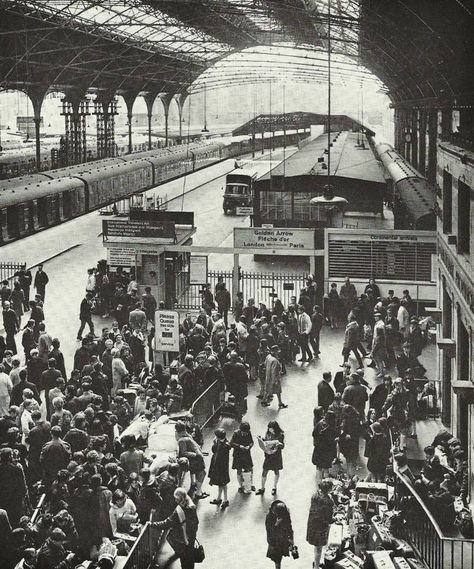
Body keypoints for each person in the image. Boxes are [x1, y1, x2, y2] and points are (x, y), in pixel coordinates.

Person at [152, 488, 199, 569]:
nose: (175, 500)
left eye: (176, 498)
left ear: (181, 497)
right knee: (190, 561)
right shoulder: (192, 507)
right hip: (191, 538)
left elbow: (166, 524)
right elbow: (196, 522)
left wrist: (152, 524)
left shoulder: (178, 512)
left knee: (184, 561)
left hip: (182, 541)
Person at [306, 479, 334, 569]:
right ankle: (316, 567)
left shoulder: (315, 495)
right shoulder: (328, 502)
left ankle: (316, 562)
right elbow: (329, 518)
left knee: (316, 546)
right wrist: (335, 519)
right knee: (319, 548)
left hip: (312, 524)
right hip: (320, 527)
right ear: (329, 489)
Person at [256, 421, 285, 496]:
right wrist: (261, 439)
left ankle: (274, 487)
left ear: (275, 428)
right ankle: (262, 488)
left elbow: (282, 446)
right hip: (268, 456)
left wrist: (280, 444)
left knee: (276, 471)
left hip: (276, 456)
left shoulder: (280, 435)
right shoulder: (268, 433)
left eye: (271, 429)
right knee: (264, 471)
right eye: (269, 429)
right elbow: (266, 441)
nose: (270, 430)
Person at [265, 500, 294, 569]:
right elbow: (269, 531)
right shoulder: (269, 517)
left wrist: (291, 538)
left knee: (280, 555)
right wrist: (276, 524)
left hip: (283, 538)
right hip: (274, 541)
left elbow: (289, 526)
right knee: (277, 559)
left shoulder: (285, 513)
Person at [208, 428, 231, 509]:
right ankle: (219, 498)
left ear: (218, 437)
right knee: (221, 484)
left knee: (223, 484)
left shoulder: (223, 446)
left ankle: (225, 500)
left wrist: (214, 443)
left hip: (221, 468)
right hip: (221, 468)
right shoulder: (223, 442)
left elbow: (214, 451)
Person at [312, 411, 337, 480]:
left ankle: (321, 482)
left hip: (319, 449)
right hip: (326, 451)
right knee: (324, 467)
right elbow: (331, 440)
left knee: (319, 467)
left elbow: (313, 433)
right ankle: (323, 481)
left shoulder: (320, 422)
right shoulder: (329, 428)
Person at [230, 421, 254, 494]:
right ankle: (240, 486)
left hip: (246, 454)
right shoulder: (236, 433)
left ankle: (250, 484)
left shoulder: (248, 433)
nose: (245, 434)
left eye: (246, 432)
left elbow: (252, 442)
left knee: (250, 469)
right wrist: (239, 446)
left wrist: (249, 446)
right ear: (240, 430)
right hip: (238, 455)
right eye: (244, 432)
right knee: (239, 470)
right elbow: (231, 443)